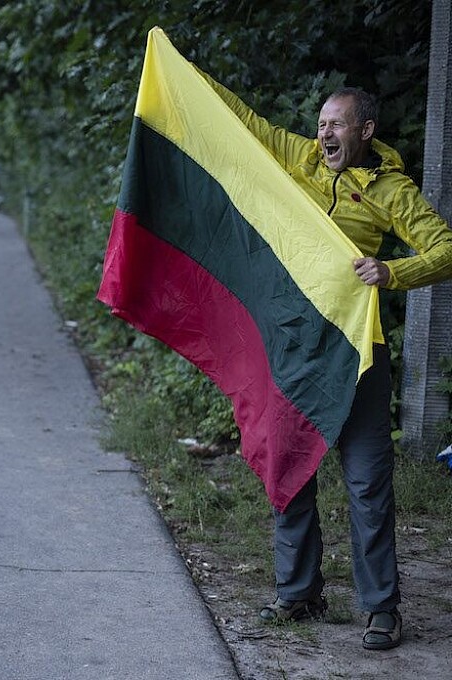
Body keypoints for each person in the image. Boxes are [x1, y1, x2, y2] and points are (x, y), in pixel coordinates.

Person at [201, 70, 452, 651]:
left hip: (356, 353)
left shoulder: (392, 190)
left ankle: (382, 610)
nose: (324, 133)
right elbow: (248, 123)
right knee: (290, 468)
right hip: (294, 348)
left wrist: (392, 271)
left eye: (336, 124)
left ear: (365, 130)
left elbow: (445, 249)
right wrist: (188, 74)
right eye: (320, 124)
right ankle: (298, 594)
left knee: (367, 483)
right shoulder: (303, 159)